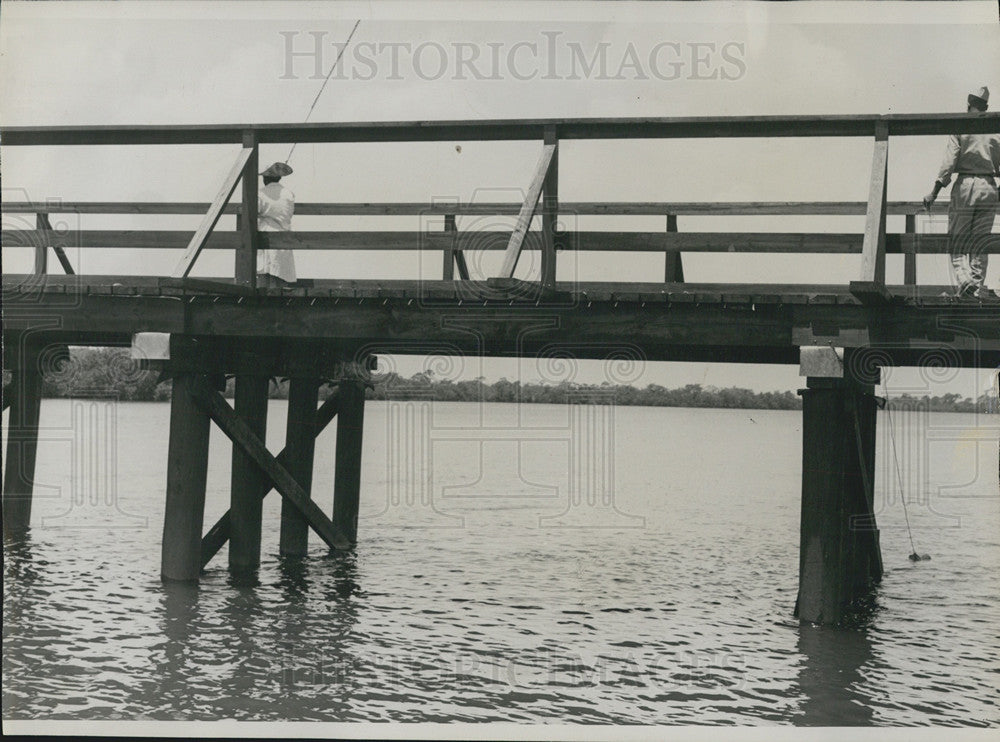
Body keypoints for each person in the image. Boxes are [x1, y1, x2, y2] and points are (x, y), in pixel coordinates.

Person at [923, 86, 1000, 299]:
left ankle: (965, 282)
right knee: (980, 241)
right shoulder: (996, 127)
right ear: (986, 107)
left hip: (965, 184)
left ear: (968, 105)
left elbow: (949, 162)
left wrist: (934, 192)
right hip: (989, 185)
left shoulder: (961, 124)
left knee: (957, 238)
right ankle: (975, 287)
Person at [257, 161, 297, 286]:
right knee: (281, 273)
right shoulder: (289, 194)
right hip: (284, 236)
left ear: (265, 177)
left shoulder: (260, 194)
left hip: (266, 235)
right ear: (279, 177)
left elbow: (254, 212)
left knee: (265, 272)